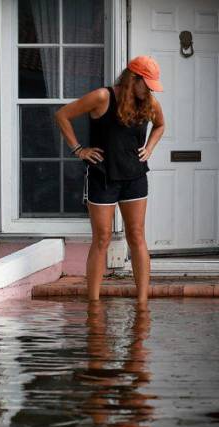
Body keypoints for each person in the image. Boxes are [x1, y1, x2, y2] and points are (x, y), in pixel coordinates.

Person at [55, 55, 166, 304]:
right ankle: (93, 306)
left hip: (135, 177)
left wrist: (149, 148)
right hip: (102, 177)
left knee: (136, 236)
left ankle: (142, 303)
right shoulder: (102, 97)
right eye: (146, 85)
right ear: (132, 79)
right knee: (102, 238)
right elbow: (62, 115)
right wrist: (78, 150)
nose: (149, 91)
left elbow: (160, 125)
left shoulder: (150, 102)